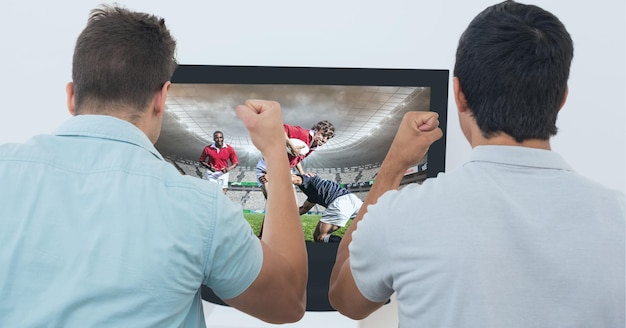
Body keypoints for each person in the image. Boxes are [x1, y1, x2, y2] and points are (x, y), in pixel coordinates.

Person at [0, 6, 307, 327]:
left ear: (72, 96)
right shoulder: (200, 208)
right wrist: (275, 150)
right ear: (162, 97)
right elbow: (288, 302)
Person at [329, 1, 625, 327]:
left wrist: (394, 165)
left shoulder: (402, 213)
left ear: (459, 94)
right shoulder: (619, 215)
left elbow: (345, 299)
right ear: (562, 98)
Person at [255, 120, 335, 197]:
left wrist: (302, 173)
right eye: (323, 135)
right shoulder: (302, 133)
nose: (324, 140)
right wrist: (291, 145)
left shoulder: (314, 146)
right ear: (316, 130)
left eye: (327, 138)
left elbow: (296, 160)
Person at [292, 174, 363, 243]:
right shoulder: (313, 193)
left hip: (340, 203)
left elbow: (295, 179)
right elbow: (304, 209)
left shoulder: (307, 179)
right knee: (368, 228)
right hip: (354, 200)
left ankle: (346, 246)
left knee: (319, 237)